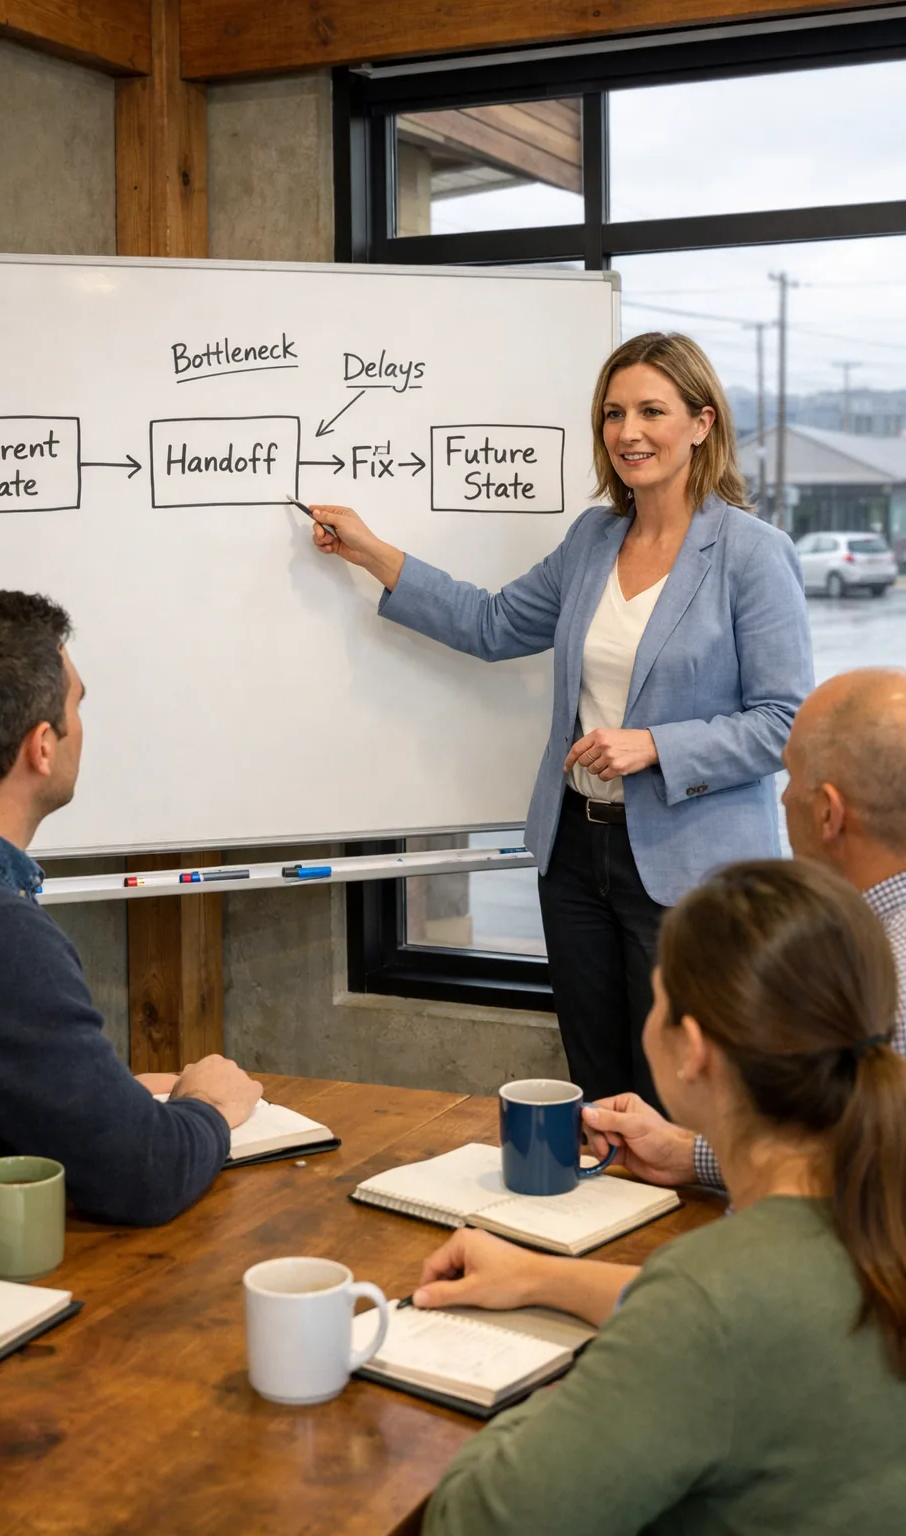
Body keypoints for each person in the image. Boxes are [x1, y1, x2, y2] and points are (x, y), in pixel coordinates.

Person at [309, 333, 812, 1106]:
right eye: (613, 413)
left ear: (702, 423)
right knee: (598, 1079)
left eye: (652, 410)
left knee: (680, 1092)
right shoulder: (592, 540)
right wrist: (374, 553)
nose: (628, 432)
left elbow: (786, 722)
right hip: (575, 852)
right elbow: (492, 623)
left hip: (688, 869)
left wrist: (655, 746)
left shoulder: (751, 553)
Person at [417, 860, 906, 1535]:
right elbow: (746, 1317)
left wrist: (565, 1397)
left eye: (658, 998)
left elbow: (474, 1520)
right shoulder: (869, 1222)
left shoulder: (711, 1301)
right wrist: (541, 1276)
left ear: (693, 1050)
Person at [0, 591, 262, 1228]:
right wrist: (207, 1106)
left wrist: (102, 1099)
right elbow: (144, 1175)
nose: (82, 722)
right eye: (77, 705)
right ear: (42, 747)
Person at [580, 666, 906, 1194]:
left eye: (792, 778)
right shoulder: (866, 950)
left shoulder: (884, 982)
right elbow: (828, 1150)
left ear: (828, 812)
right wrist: (689, 1154)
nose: (782, 800)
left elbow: (840, 1202)